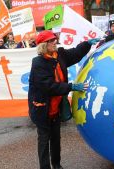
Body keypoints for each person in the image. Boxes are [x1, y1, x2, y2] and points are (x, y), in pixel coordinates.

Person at [28, 30, 99, 169]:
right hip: (42, 108)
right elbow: (49, 86)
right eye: (51, 40)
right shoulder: (38, 63)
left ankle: (57, 165)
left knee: (56, 139)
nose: (55, 41)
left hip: (56, 107)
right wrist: (72, 86)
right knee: (44, 139)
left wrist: (86, 44)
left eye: (55, 39)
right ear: (44, 45)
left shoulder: (59, 54)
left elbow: (75, 54)